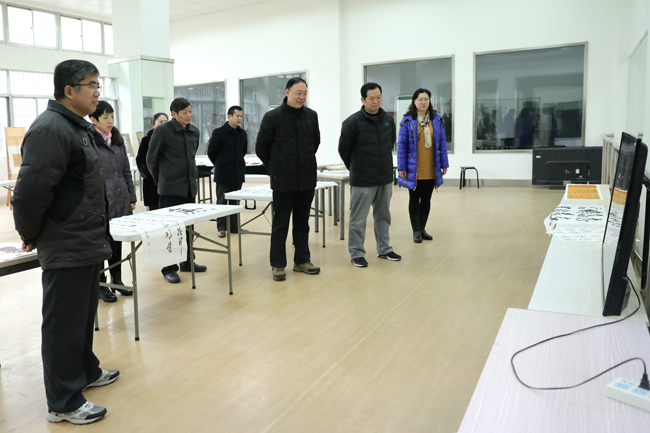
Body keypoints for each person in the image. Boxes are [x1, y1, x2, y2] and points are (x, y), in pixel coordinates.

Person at [11, 59, 119, 425]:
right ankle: (63, 401)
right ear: (69, 91)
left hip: (85, 237)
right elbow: (30, 191)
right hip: (66, 239)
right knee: (63, 324)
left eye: (99, 85)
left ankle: (85, 371)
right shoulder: (50, 129)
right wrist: (29, 233)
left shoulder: (78, 126)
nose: (98, 92)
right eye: (92, 85)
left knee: (82, 317)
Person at [256, 77, 321, 281]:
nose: (302, 97)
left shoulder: (311, 116)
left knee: (302, 223)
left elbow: (315, 143)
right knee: (280, 224)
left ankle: (302, 260)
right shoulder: (273, 117)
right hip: (283, 180)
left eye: (305, 93)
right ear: (287, 92)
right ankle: (278, 264)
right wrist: (276, 167)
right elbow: (261, 148)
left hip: (306, 178)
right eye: (298, 93)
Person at [339, 82, 401, 267]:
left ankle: (384, 249)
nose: (376, 101)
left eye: (379, 97)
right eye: (372, 98)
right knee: (358, 219)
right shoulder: (352, 122)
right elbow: (344, 149)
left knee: (383, 216)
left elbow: (391, 143)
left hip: (384, 178)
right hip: (363, 180)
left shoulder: (388, 119)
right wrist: (356, 167)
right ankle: (357, 253)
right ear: (363, 100)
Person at [146, 97, 206, 284]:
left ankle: (187, 261)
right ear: (174, 114)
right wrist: (162, 181)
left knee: (188, 228)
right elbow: (151, 159)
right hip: (170, 189)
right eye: (184, 112)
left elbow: (191, 157)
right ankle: (169, 268)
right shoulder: (162, 131)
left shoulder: (194, 132)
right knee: (170, 231)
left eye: (190, 111)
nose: (189, 115)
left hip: (189, 188)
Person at [89, 101, 136, 303]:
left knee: (117, 241)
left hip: (120, 198)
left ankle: (117, 279)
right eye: (105, 117)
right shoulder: (89, 141)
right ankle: (101, 284)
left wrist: (131, 197)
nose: (110, 121)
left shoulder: (117, 140)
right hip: (101, 201)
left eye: (112, 116)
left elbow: (126, 171)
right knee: (101, 243)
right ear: (93, 119)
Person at [397, 88, 449, 243]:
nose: (423, 102)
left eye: (426, 99)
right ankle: (416, 231)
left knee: (426, 199)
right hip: (414, 168)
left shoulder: (437, 119)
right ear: (414, 101)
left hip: (431, 167)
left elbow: (442, 143)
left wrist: (444, 163)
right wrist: (401, 167)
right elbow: (401, 146)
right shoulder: (407, 120)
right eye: (420, 99)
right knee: (414, 199)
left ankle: (422, 228)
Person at [207, 105, 247, 238]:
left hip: (237, 172)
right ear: (229, 116)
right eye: (237, 116)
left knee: (235, 201)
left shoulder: (242, 133)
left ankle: (234, 226)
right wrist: (220, 164)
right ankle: (222, 227)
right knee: (222, 201)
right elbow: (211, 152)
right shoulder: (219, 132)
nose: (239, 118)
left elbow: (243, 151)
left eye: (241, 116)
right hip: (223, 172)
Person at [136, 112, 168, 210]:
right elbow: (140, 160)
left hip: (168, 184)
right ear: (153, 125)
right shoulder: (146, 140)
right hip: (152, 184)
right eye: (160, 122)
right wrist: (148, 174)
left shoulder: (171, 140)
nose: (163, 124)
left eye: (166, 122)